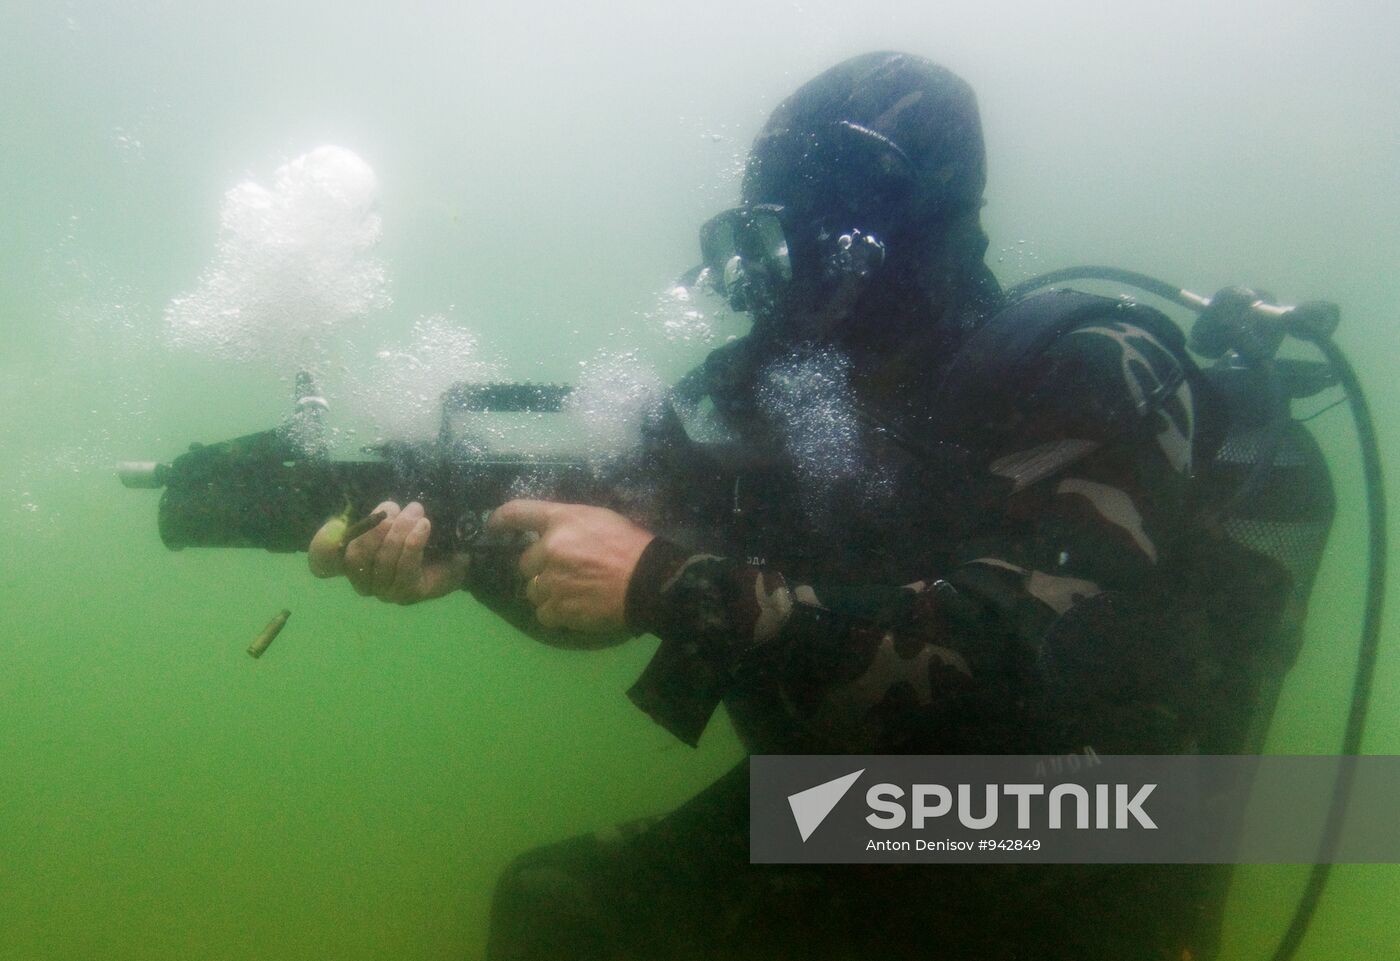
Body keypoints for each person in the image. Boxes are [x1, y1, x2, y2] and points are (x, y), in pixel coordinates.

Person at [309, 52, 1284, 961]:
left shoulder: (1088, 368)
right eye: (749, 243)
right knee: (563, 908)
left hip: (1073, 819)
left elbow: (1021, 658)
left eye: (784, 240)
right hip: (867, 804)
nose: (758, 283)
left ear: (873, 241)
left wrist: (664, 585)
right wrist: (469, 553)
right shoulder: (771, 396)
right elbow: (614, 565)